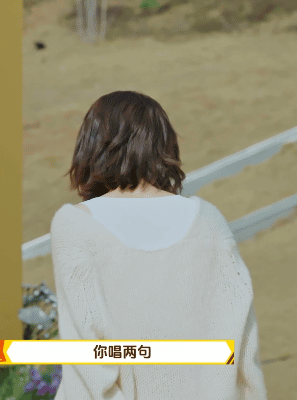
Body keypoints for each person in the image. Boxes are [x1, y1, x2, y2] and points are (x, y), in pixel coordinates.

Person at [50, 91, 267, 399]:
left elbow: (86, 362)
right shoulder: (208, 222)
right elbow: (243, 349)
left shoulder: (75, 226)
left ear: (91, 145)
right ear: (164, 145)